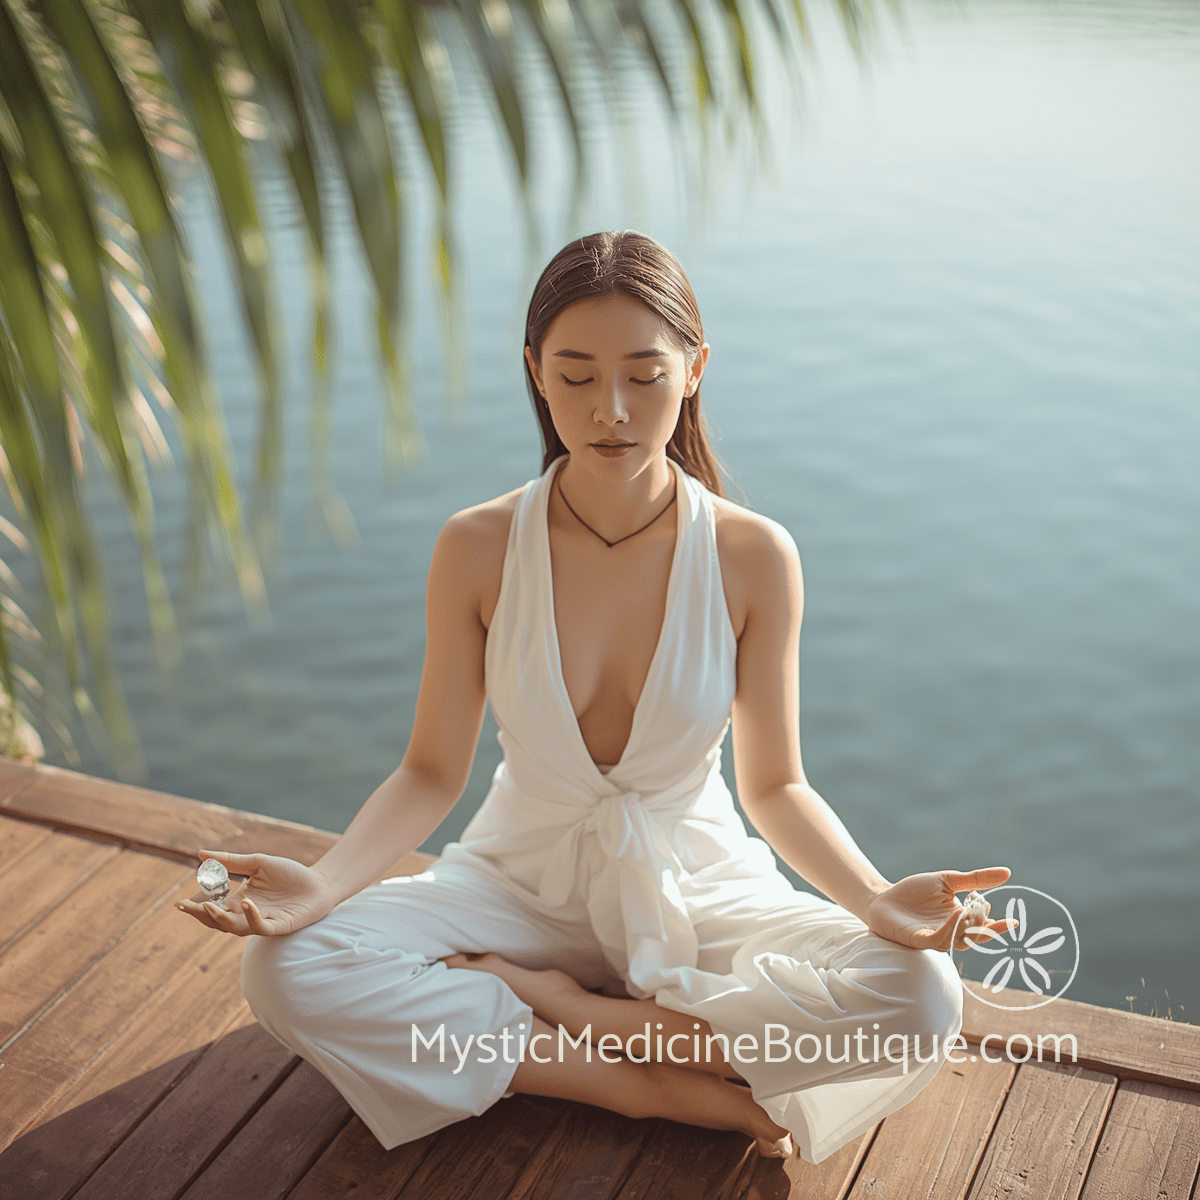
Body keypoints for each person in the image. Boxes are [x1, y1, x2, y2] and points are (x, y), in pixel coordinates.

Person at [177, 230, 1011, 1164]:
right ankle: (638, 1081)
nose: (610, 409)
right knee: (287, 969)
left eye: (644, 376)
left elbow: (775, 786)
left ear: (694, 371)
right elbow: (429, 769)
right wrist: (324, 885)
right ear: (535, 372)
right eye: (575, 377)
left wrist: (873, 902)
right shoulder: (478, 545)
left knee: (921, 998)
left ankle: (569, 1015)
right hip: (516, 885)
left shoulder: (752, 555)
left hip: (697, 884)